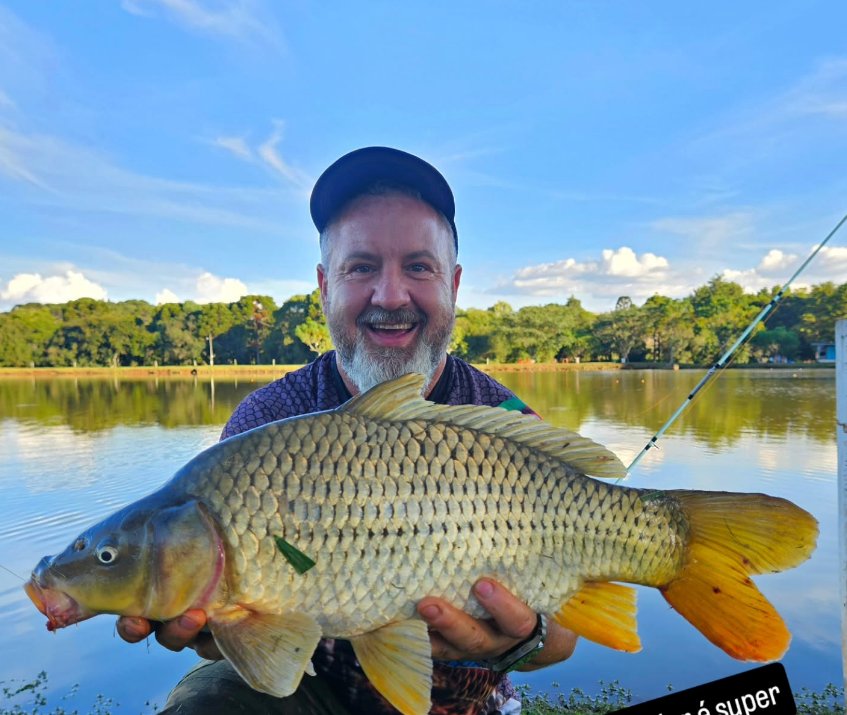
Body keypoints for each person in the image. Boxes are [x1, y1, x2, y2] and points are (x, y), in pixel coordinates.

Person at [117, 147, 578, 714]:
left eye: (418, 266)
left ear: (453, 284)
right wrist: (219, 629)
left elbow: (563, 640)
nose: (390, 296)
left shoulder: (504, 421)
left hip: (456, 704)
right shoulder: (268, 423)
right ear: (324, 285)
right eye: (360, 267)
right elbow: (225, 634)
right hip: (314, 694)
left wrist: (521, 642)